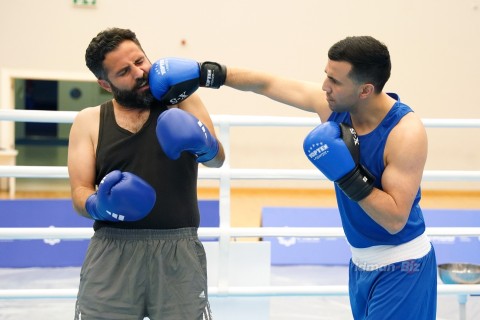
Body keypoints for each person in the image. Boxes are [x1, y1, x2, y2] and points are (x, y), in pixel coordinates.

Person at [151, 36, 437, 319]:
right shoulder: (335, 107)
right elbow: (267, 84)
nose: (325, 87)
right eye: (327, 76)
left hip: (403, 266)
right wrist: (208, 73)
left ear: (365, 90)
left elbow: (395, 219)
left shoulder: (405, 132)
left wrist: (349, 175)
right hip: (360, 263)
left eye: (335, 81)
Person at [67, 27, 225, 320]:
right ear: (105, 83)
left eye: (140, 61)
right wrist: (97, 205)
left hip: (179, 251)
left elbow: (217, 160)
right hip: (112, 252)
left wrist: (204, 144)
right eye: (124, 71)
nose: (139, 72)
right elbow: (79, 192)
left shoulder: (183, 100)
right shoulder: (89, 121)